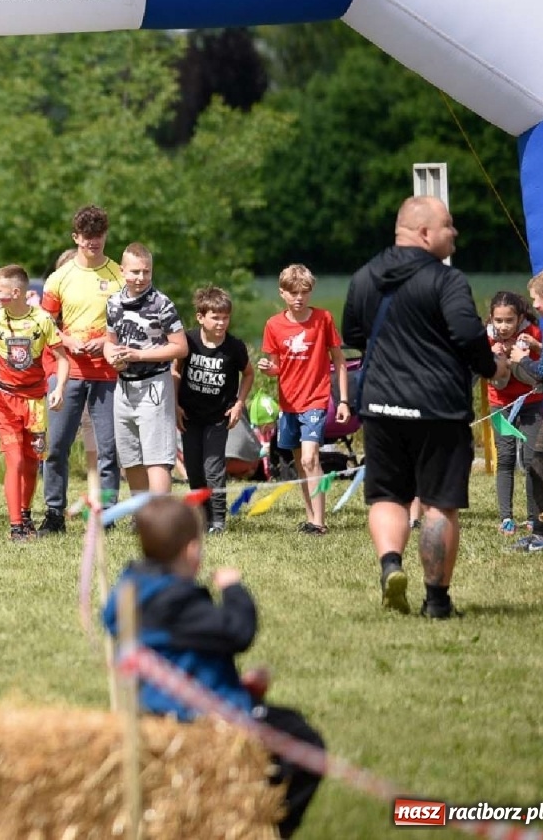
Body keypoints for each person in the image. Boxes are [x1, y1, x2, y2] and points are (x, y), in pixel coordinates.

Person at [102, 495, 324, 837]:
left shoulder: (130, 590)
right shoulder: (177, 601)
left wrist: (241, 685)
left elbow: (178, 658)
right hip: (195, 716)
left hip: (157, 705)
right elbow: (237, 632)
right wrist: (234, 590)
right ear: (192, 551)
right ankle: (261, 828)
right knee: (304, 741)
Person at [341, 197, 506, 617]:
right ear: (425, 233)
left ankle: (391, 565)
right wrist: (492, 367)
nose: (455, 232)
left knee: (387, 496)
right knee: (438, 503)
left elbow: (353, 334)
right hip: (438, 407)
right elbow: (467, 333)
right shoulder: (446, 280)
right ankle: (437, 601)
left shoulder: (364, 276)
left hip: (380, 404)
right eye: (449, 224)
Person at [42, 205, 124, 528]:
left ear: (106, 235)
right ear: (75, 237)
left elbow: (128, 324)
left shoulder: (119, 275)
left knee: (108, 450)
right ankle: (54, 513)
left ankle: (106, 515)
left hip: (107, 373)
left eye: (98, 235)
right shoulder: (59, 277)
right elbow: (44, 324)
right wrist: (66, 340)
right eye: (87, 236)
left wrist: (104, 340)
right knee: (56, 447)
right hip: (68, 372)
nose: (93, 241)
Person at [0, 264, 68, 541]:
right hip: (4, 399)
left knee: (30, 462)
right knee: (14, 461)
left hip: (35, 401)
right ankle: (16, 525)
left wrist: (59, 388)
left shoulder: (42, 320)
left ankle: (25, 515)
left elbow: (62, 359)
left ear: (16, 292)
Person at [260, 265, 349, 536]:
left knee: (311, 459)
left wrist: (343, 400)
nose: (299, 298)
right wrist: (268, 368)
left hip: (315, 399)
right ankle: (311, 518)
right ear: (282, 293)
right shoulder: (273, 325)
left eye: (304, 292)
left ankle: (319, 523)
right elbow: (276, 367)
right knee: (300, 464)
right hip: (288, 403)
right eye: (293, 293)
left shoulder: (323, 319)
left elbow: (339, 360)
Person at [102, 244, 188, 496]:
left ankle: (161, 515)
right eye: (135, 272)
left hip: (154, 386)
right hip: (124, 388)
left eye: (146, 272)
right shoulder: (113, 302)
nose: (141, 278)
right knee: (131, 459)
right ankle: (142, 514)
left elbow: (180, 347)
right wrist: (112, 357)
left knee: (157, 458)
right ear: (122, 270)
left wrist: (139, 355)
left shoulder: (162, 304)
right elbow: (109, 342)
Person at [175, 287, 252, 533]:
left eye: (225, 318)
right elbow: (175, 370)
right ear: (200, 317)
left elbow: (248, 374)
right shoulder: (188, 341)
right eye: (215, 317)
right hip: (189, 416)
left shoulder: (235, 347)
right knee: (194, 470)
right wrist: (175, 405)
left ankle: (218, 520)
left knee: (213, 469)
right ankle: (202, 515)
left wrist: (239, 403)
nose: (221, 323)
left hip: (218, 418)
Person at [485, 290, 543, 537]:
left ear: (520, 318)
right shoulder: (486, 339)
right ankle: (506, 518)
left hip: (532, 402)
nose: (503, 326)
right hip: (500, 404)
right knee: (506, 457)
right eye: (498, 320)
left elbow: (536, 377)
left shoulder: (533, 334)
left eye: (509, 320)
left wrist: (518, 358)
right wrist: (498, 359)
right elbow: (496, 380)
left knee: (532, 460)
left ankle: (533, 517)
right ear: (491, 319)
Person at [509, 268, 543, 549]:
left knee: (538, 465)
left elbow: (541, 372)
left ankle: (540, 536)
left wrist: (521, 359)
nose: (535, 305)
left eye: (535, 299)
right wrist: (540, 346)